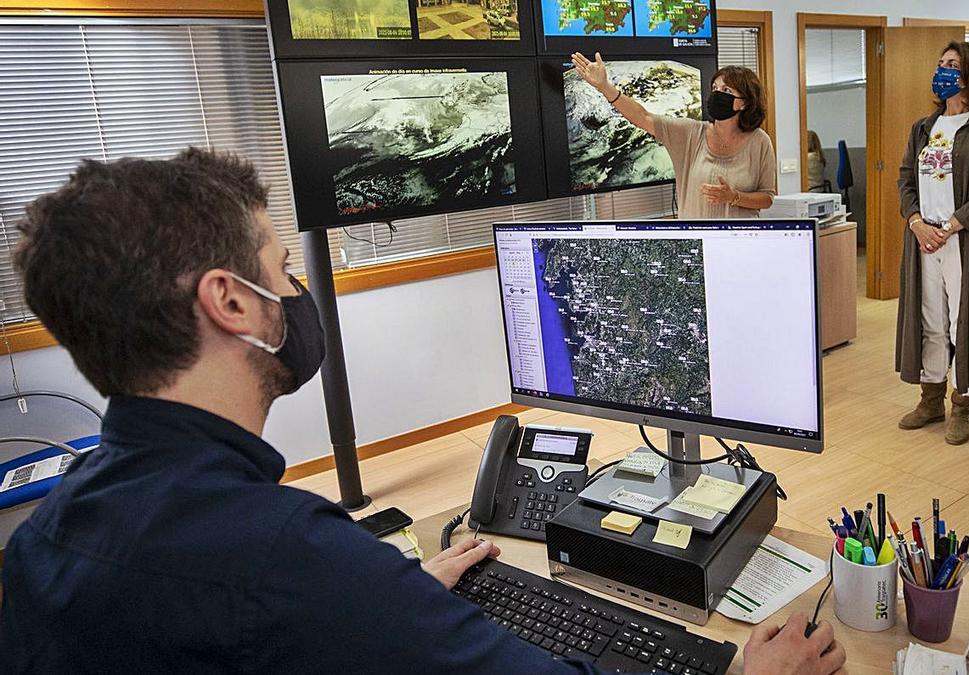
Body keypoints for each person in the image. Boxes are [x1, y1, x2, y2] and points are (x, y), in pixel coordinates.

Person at [0, 148, 846, 675]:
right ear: (230, 300)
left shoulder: (46, 532)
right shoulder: (290, 559)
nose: (295, 290)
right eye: (283, 267)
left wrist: (390, 594)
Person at [895, 42, 969, 445]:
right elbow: (906, 179)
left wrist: (951, 225)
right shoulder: (923, 128)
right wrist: (915, 221)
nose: (943, 71)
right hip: (923, 237)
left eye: (953, 66)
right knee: (928, 319)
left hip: (965, 239)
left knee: (964, 321)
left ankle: (962, 405)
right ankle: (930, 400)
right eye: (941, 63)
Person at [571, 53, 777, 218]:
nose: (717, 94)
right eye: (715, 88)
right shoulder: (690, 134)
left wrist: (734, 197)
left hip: (741, 243)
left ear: (745, 102)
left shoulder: (759, 142)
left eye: (727, 90)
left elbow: (767, 198)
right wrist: (604, 87)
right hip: (697, 243)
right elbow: (642, 117)